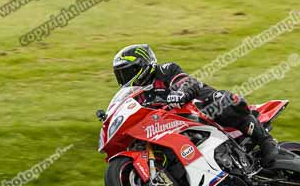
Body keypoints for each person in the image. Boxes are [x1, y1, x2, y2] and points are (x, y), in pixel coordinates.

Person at [112, 44, 280, 166]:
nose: (125, 78)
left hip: (200, 108)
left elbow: (185, 82)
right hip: (169, 126)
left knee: (223, 101)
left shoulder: (165, 70)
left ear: (142, 66)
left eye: (128, 72)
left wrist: (181, 93)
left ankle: (266, 141)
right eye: (120, 75)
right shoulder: (138, 96)